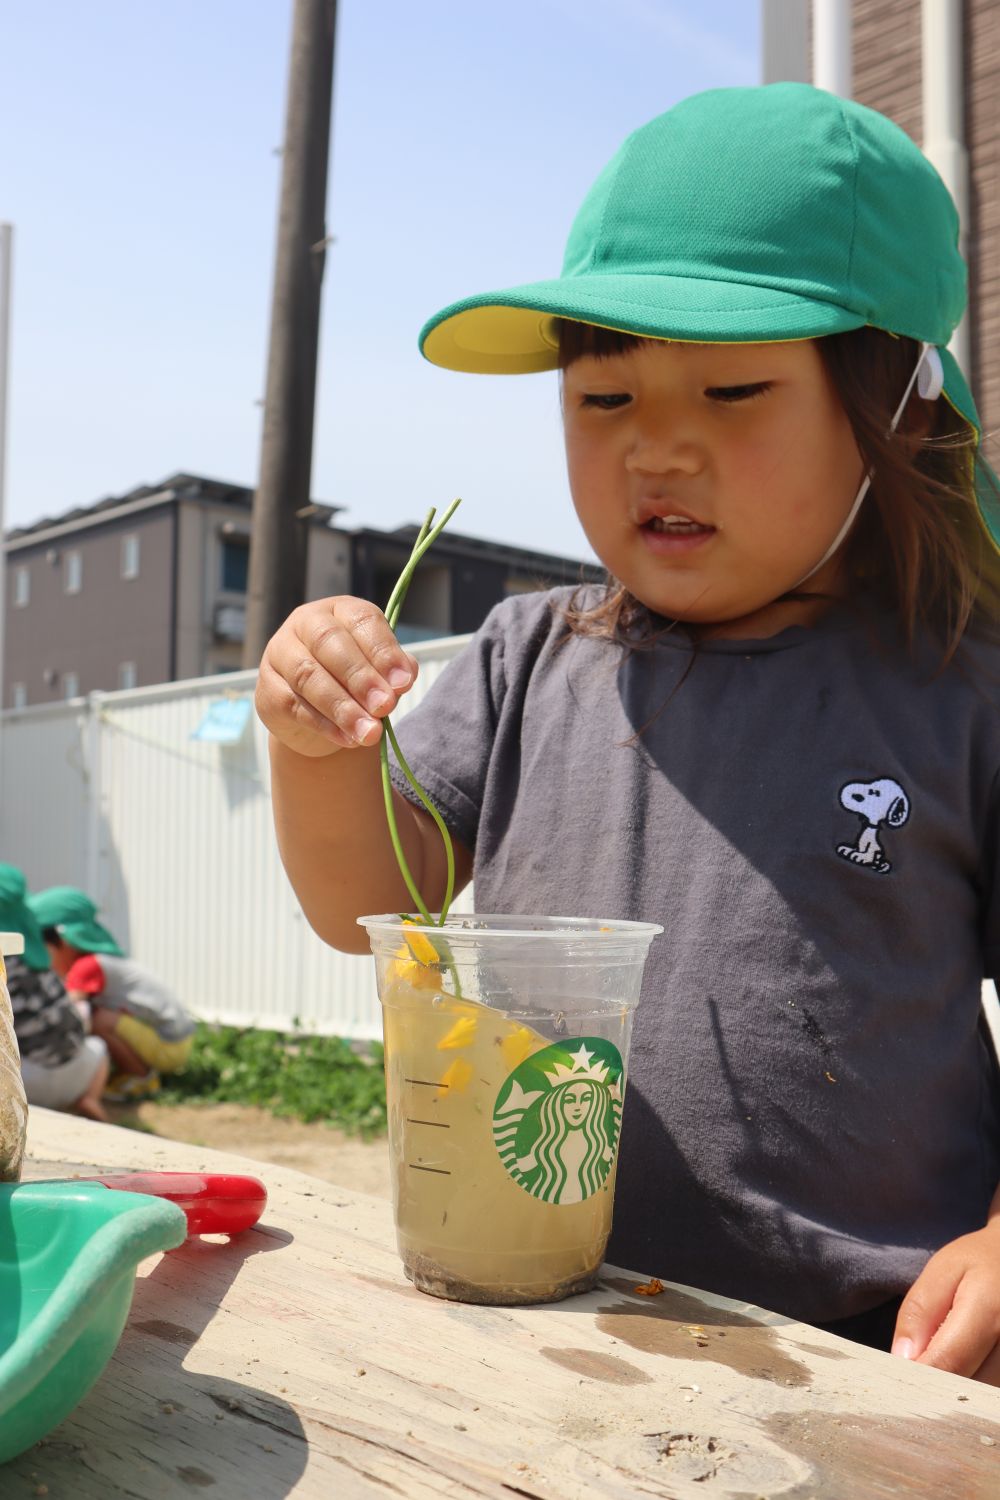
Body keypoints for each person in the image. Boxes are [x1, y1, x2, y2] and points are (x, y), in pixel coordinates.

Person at [254, 83, 1000, 1383]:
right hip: (538, 1310)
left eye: (732, 389)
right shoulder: (534, 657)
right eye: (604, 401)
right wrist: (318, 747)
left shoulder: (958, 689)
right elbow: (375, 894)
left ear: (898, 407)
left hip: (870, 1359)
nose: (659, 444)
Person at [27, 886, 195, 1102]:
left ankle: (141, 1079)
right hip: (176, 1039)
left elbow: (72, 1013)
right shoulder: (100, 960)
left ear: (63, 941)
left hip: (169, 1044)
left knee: (95, 1020)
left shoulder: (87, 967)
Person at [0, 865, 110, 1121]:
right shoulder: (38, 959)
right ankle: (89, 1099)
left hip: (24, 1086)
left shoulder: (5, 961)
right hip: (76, 1073)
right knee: (99, 1046)